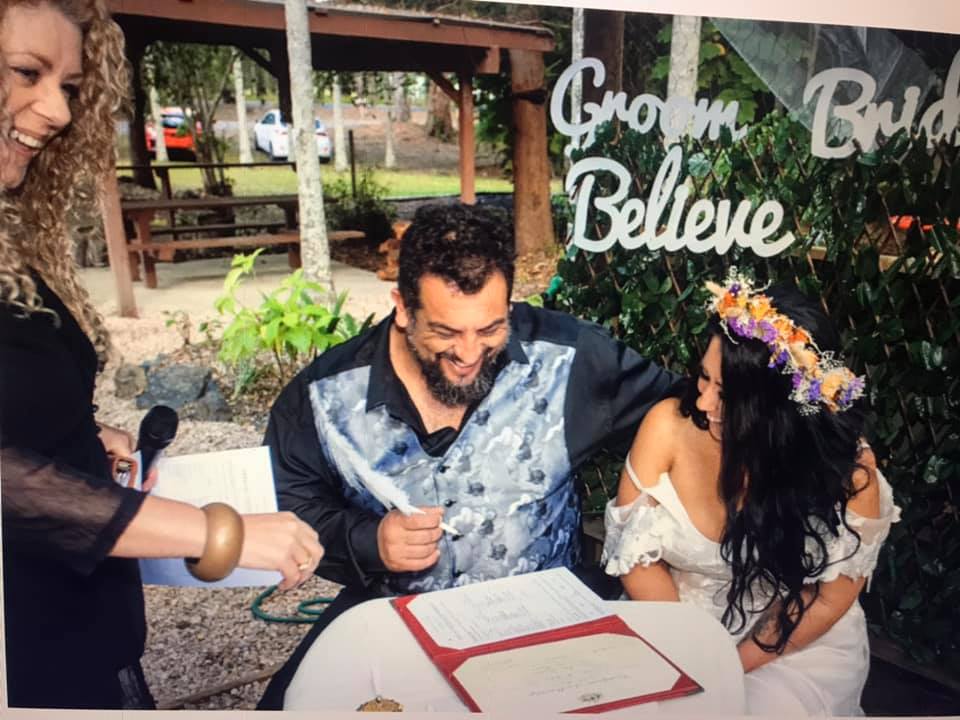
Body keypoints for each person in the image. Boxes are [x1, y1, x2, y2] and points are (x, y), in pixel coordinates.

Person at [0, 0, 323, 709]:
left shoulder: (12, 239)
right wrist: (221, 532)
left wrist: (80, 440)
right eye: (27, 72)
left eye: (72, 88)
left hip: (88, 626)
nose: (54, 110)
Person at [259, 202, 679, 707]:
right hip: (394, 624)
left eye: (490, 329)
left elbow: (687, 421)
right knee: (287, 705)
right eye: (444, 332)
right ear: (401, 305)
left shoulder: (576, 359)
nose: (467, 354)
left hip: (547, 627)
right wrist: (368, 541)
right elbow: (288, 506)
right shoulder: (322, 397)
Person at [602, 269, 899, 715]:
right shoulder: (667, 426)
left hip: (788, 643)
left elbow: (828, 598)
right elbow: (636, 562)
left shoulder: (848, 476)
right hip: (672, 619)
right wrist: (692, 655)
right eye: (704, 379)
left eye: (727, 396)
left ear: (778, 411)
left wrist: (727, 667)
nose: (703, 404)